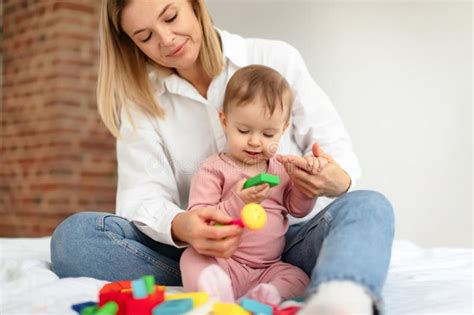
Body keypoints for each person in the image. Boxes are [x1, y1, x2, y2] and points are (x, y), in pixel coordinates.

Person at [50, 0, 395, 314]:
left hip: (285, 243)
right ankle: (213, 282)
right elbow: (141, 196)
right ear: (131, 44)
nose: (167, 39)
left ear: (194, 4)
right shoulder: (142, 104)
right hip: (201, 250)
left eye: (171, 16)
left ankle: (340, 299)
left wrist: (327, 177)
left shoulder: (276, 59)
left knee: (368, 206)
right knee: (75, 238)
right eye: (145, 36)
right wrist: (184, 227)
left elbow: (334, 152)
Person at [180, 64, 327, 305]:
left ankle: (266, 295)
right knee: (191, 259)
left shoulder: (281, 168)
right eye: (244, 130)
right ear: (224, 121)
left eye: (268, 134)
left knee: (299, 277)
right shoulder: (213, 169)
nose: (256, 142)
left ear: (283, 129)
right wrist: (238, 202)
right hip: (223, 261)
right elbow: (199, 217)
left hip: (268, 268)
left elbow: (297, 209)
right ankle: (216, 295)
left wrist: (303, 186)